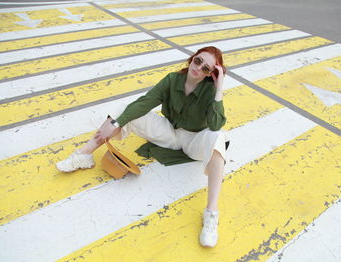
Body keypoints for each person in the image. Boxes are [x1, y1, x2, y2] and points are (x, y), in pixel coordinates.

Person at [56, 46, 228, 248]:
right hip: (169, 133)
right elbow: (146, 102)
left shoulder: (210, 91)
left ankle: (211, 215)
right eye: (197, 61)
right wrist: (116, 123)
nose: (198, 68)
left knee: (219, 137)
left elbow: (216, 124)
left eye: (206, 68)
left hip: (193, 140)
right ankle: (84, 155)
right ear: (192, 59)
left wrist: (219, 89)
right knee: (125, 109)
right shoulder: (172, 80)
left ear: (212, 74)